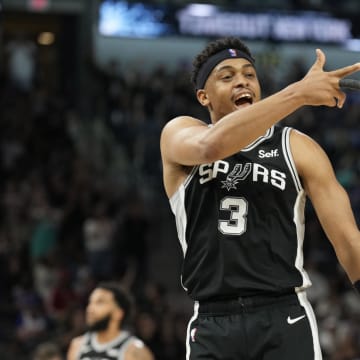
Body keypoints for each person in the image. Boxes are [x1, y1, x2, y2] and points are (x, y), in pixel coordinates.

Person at [160, 36, 360, 359]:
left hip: (284, 315)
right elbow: (211, 146)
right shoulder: (180, 134)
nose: (242, 81)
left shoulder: (297, 147)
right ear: (203, 96)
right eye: (227, 76)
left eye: (250, 75)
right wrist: (299, 93)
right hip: (212, 322)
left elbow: (349, 242)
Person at [66, 282, 154, 360]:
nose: (90, 308)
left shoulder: (135, 350)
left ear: (118, 313)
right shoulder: (77, 345)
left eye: (99, 302)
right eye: (90, 302)